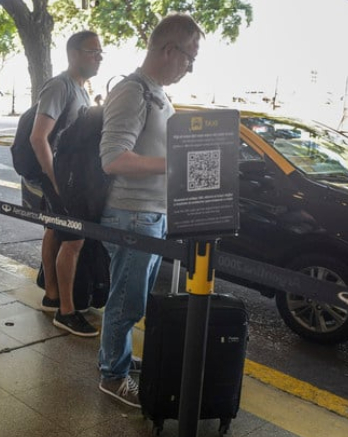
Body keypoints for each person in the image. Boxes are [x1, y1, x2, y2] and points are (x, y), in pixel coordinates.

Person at [97, 13, 203, 408]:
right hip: (132, 213)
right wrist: (176, 163)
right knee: (127, 301)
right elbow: (113, 159)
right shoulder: (133, 91)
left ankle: (116, 357)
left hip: (149, 213)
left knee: (133, 298)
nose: (190, 67)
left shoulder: (156, 91)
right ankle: (113, 375)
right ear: (169, 49)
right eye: (189, 57)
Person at [26, 31, 103, 337]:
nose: (98, 57)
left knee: (55, 231)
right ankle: (66, 312)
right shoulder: (61, 86)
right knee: (74, 241)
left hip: (68, 179)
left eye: (100, 52)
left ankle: (52, 295)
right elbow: (38, 136)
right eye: (92, 51)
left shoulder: (81, 90)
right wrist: (57, 181)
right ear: (73, 53)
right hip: (63, 180)